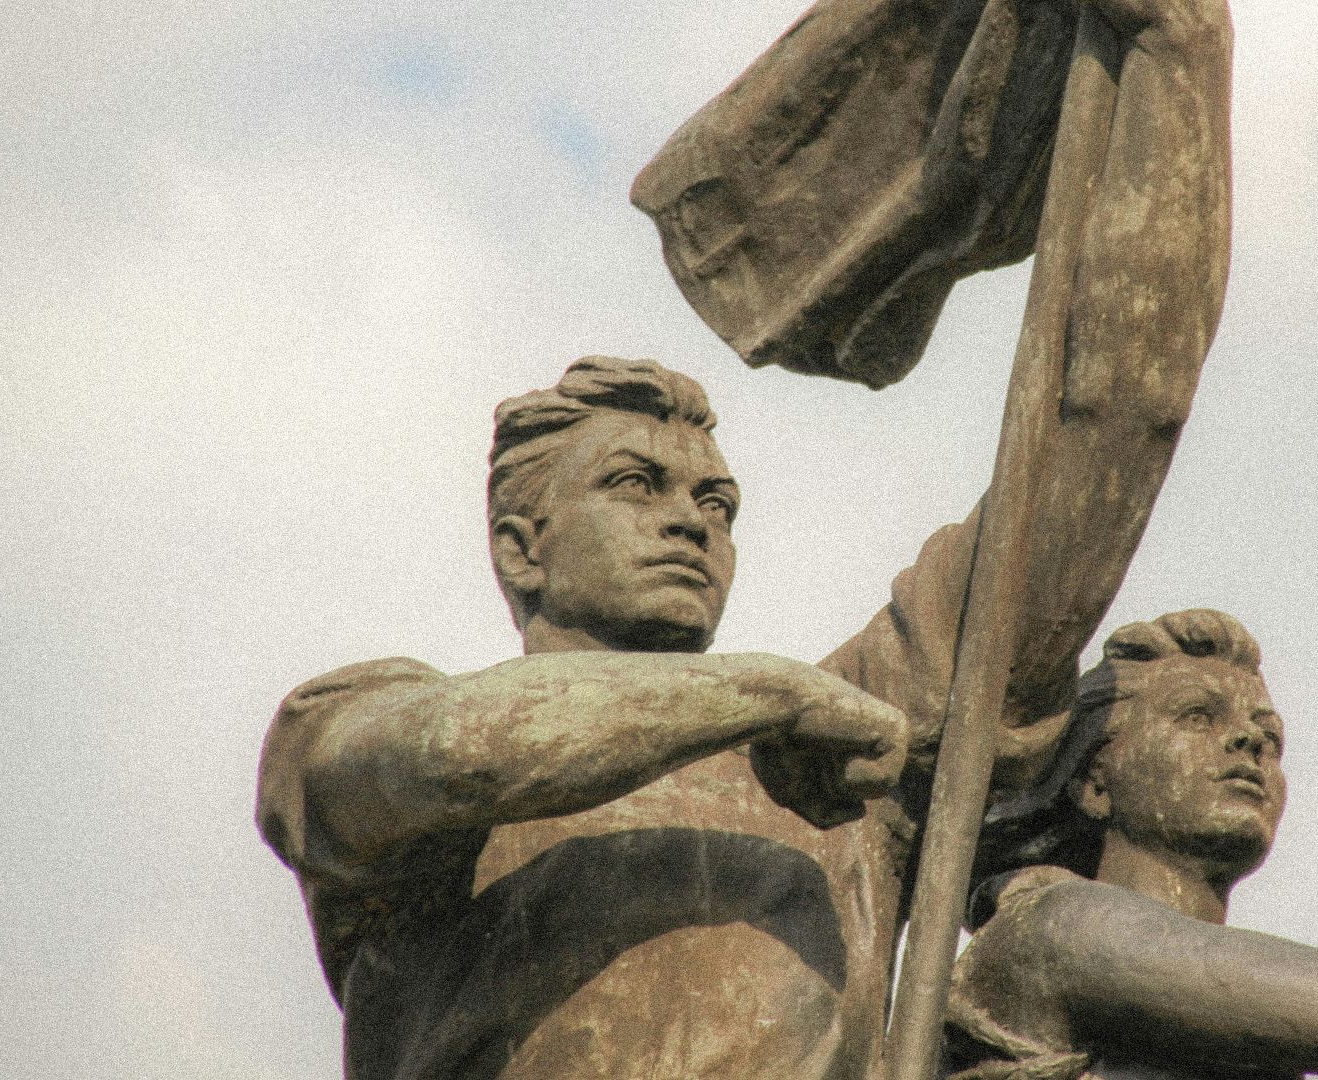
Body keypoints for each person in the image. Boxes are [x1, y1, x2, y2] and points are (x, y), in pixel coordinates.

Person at [257, 0, 1236, 1072]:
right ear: (519, 547)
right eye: (637, 484)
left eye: (717, 503)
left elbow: (1102, 429)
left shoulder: (849, 751)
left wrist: (1177, 57)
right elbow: (462, 749)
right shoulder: (343, 727)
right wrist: (769, 695)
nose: (691, 516)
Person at [945, 611, 1318, 1080]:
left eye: (1271, 736)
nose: (1250, 742)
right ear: (1094, 782)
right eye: (1198, 716)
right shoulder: (1053, 928)